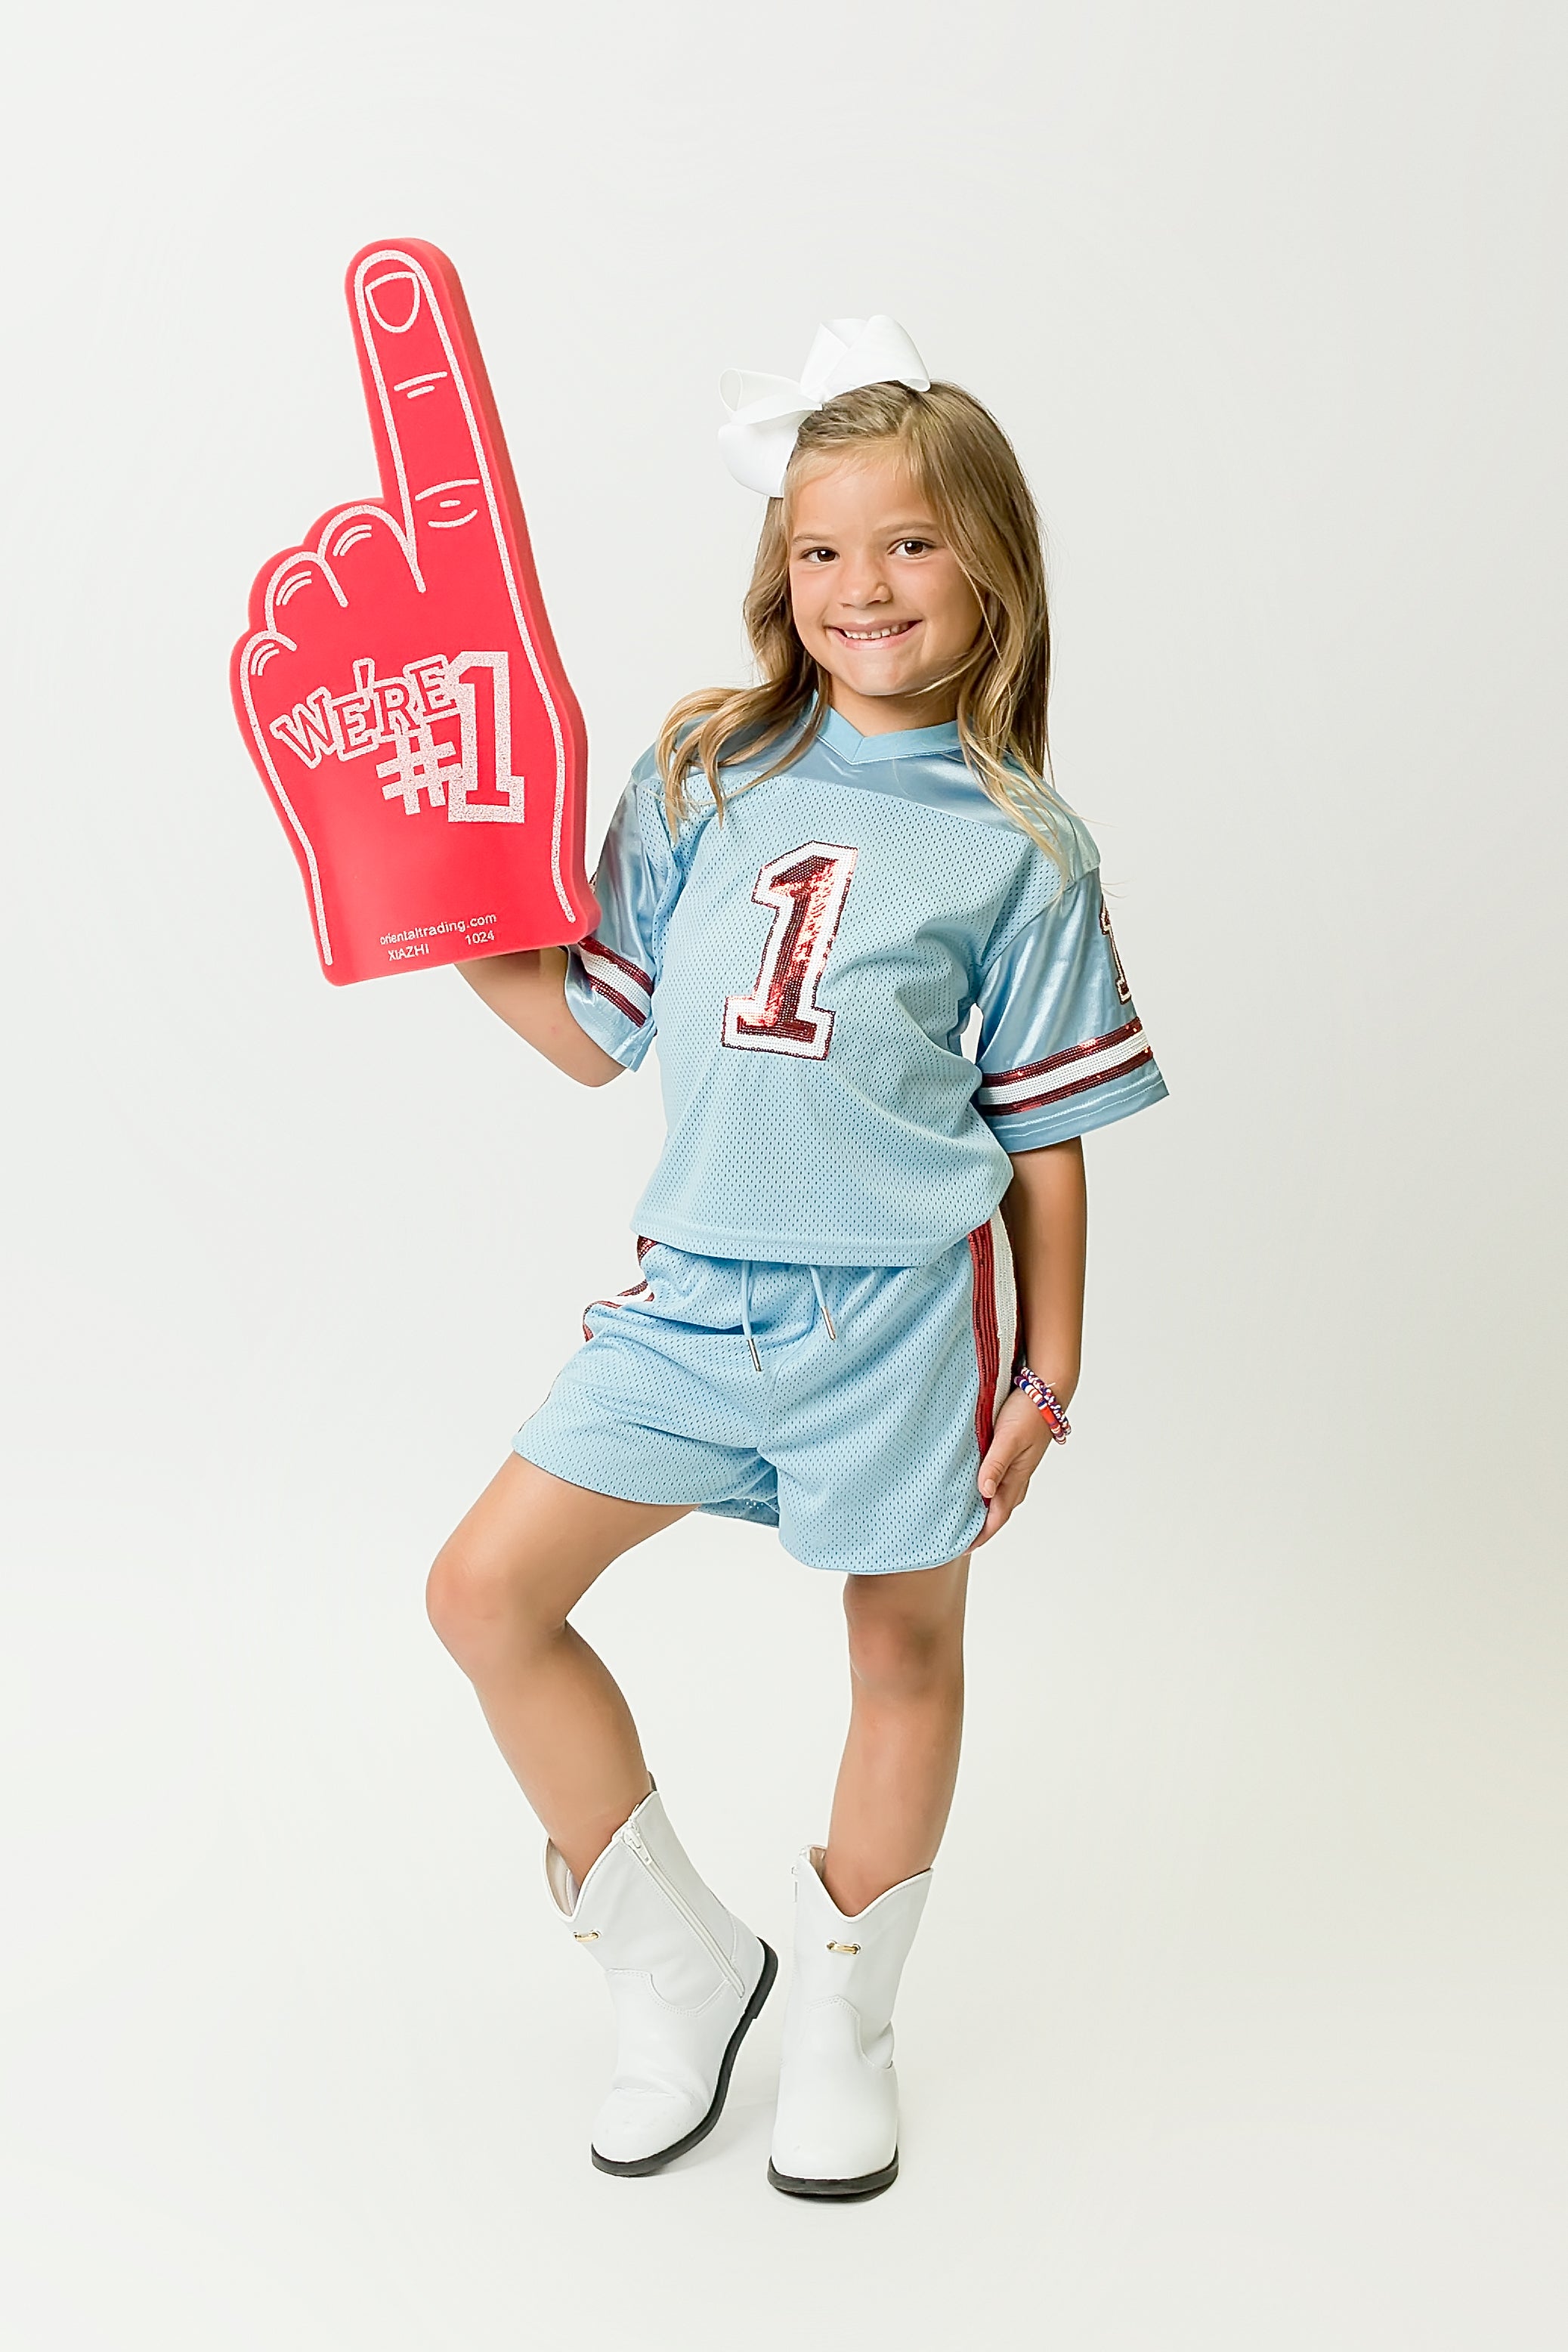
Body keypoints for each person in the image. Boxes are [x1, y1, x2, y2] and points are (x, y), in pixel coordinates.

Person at [426, 318, 1167, 2199]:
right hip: (696, 1300)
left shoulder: (1025, 845)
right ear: (780, 569)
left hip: (908, 1315)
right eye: (823, 547)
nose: (864, 585)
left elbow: (1049, 1138)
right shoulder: (701, 769)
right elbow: (595, 1030)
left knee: (904, 1648)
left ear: (990, 562)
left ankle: (850, 2018)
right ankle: (679, 1962)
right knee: (485, 1592)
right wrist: (441, 910)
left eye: (911, 542)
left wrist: (1050, 1367)